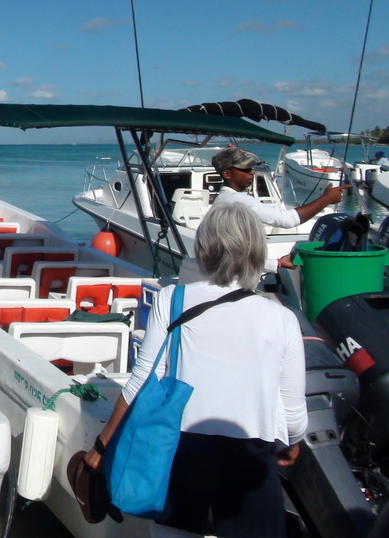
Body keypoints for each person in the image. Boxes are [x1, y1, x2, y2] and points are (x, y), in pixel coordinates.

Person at [84, 202, 307, 537]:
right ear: (257, 252)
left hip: (181, 453)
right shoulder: (283, 319)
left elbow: (141, 380)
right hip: (250, 459)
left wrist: (102, 445)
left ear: (204, 248)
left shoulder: (172, 300)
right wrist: (292, 442)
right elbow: (293, 416)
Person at [211, 147, 349, 270]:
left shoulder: (224, 199)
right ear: (227, 174)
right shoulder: (236, 200)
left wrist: (277, 263)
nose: (252, 172)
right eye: (245, 169)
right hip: (235, 281)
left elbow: (235, 256)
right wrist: (327, 199)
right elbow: (287, 220)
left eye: (252, 168)